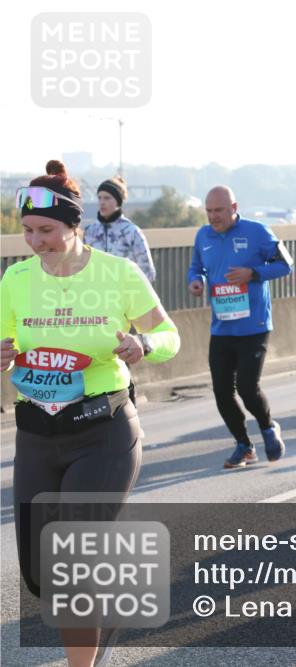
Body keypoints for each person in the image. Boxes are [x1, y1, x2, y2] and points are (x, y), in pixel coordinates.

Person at [3, 160, 180, 667]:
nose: (36, 242)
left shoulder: (116, 275)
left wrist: (142, 343)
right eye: (28, 231)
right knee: (40, 575)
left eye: (47, 231)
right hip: (36, 433)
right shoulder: (15, 280)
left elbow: (171, 337)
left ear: (75, 226)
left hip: (103, 431)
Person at [188, 186, 292, 467]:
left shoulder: (257, 232)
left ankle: (269, 427)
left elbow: (286, 264)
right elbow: (196, 266)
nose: (213, 217)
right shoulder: (203, 236)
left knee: (247, 386)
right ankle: (244, 445)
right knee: (222, 392)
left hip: (254, 325)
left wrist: (254, 273)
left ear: (234, 207)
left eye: (219, 211)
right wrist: (196, 281)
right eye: (209, 211)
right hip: (222, 327)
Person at [83, 175, 156, 283]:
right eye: (99, 197)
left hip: (125, 295)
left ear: (118, 201)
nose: (102, 202)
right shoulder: (90, 232)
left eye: (107, 198)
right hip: (98, 295)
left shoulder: (132, 232)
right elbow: (84, 268)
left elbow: (148, 272)